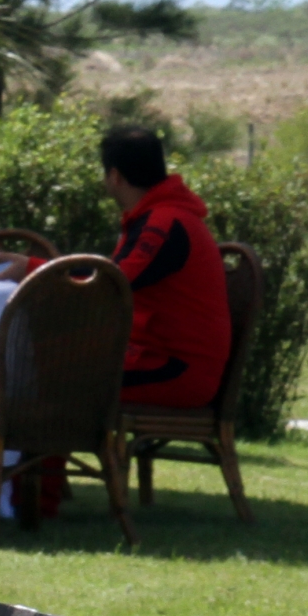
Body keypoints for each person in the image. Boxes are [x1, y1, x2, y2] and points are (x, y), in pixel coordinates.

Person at [103, 126, 232, 408]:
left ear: (114, 176)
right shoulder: (164, 215)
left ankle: (25, 438)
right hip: (160, 359)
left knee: (60, 375)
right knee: (55, 363)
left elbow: (110, 285)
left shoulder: (163, 223)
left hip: (176, 372)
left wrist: (33, 270)